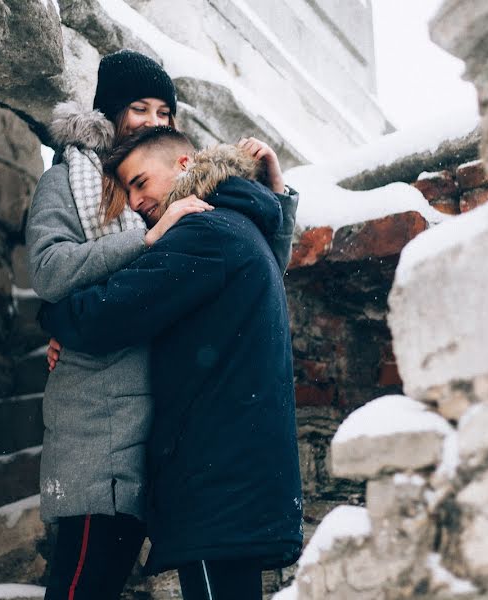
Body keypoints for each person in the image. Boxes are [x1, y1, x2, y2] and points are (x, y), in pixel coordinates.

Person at [26, 50, 298, 599]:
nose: (153, 121)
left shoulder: (195, 215)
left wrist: (277, 197)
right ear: (110, 112)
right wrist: (143, 242)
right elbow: (55, 274)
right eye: (139, 109)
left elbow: (232, 264)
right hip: (103, 420)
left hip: (165, 429)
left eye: (164, 113)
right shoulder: (72, 184)